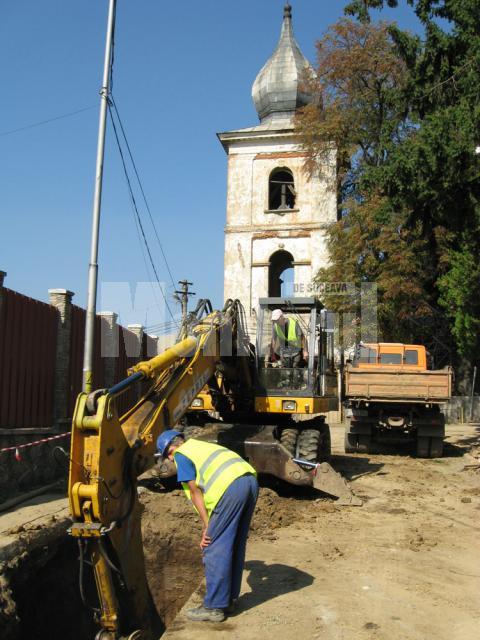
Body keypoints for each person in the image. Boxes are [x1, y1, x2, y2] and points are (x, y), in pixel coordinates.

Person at [156, 430, 259, 622]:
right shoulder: (200, 446)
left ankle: (214, 607)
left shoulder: (181, 455)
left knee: (213, 546)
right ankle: (228, 600)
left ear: (169, 452)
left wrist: (207, 527)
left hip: (230, 489)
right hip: (250, 482)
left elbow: (195, 493)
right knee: (235, 543)